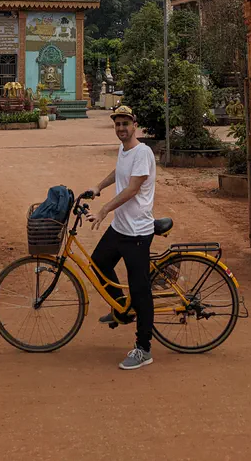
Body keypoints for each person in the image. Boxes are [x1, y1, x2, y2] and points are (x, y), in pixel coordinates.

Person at [88, 104, 156, 371]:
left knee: (141, 291)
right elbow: (118, 173)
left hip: (137, 232)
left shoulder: (142, 152)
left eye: (125, 124)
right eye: (117, 124)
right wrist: (98, 187)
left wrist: (104, 210)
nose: (121, 129)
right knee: (98, 262)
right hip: (121, 228)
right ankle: (121, 307)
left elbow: (132, 188)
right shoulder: (124, 150)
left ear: (134, 125)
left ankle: (144, 348)